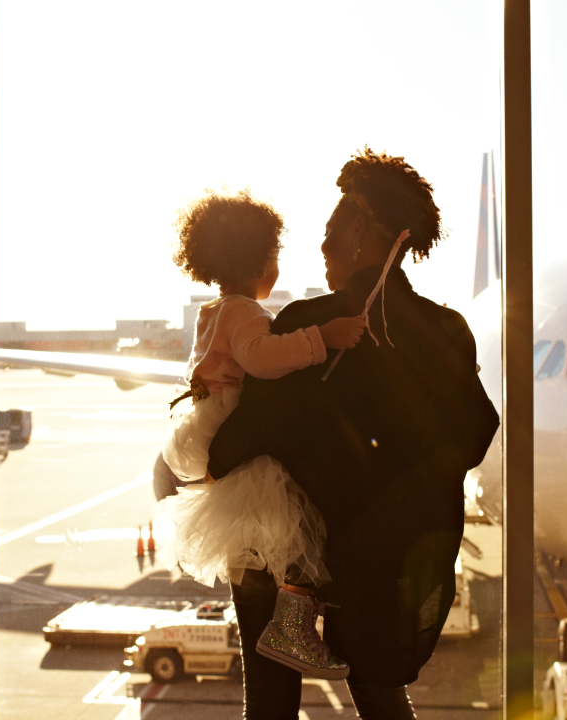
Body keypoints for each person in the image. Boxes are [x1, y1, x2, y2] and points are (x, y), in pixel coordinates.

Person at [208, 149, 499, 719]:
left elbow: (239, 445)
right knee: (381, 693)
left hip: (289, 558)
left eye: (330, 228)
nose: (320, 245)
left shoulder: (307, 327)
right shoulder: (448, 330)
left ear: (360, 232)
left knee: (270, 704)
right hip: (383, 565)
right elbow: (475, 432)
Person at [158, 188, 366, 679]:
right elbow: (261, 359)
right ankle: (292, 624)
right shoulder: (245, 312)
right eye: (275, 255)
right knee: (302, 523)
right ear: (259, 263)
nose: (278, 266)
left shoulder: (211, 311)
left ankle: (287, 625)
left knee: (277, 541)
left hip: (209, 430)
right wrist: (322, 339)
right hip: (241, 435)